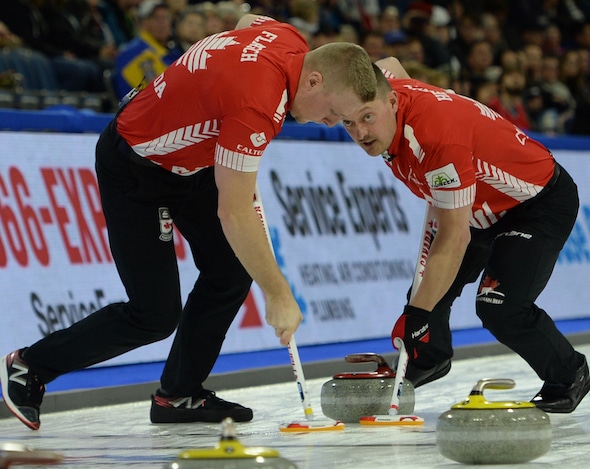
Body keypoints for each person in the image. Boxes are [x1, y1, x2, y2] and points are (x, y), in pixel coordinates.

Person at [0, 14, 377, 430]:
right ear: (314, 81)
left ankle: (179, 393)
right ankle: (29, 366)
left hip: (190, 163)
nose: (329, 124)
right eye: (334, 114)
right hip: (137, 167)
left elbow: (247, 18)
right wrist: (280, 295)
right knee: (154, 315)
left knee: (232, 269)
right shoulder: (257, 104)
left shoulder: (286, 37)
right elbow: (234, 212)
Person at [340, 56, 590, 413]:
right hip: (479, 208)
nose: (361, 133)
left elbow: (453, 236)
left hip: (535, 204)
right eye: (348, 122)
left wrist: (417, 315)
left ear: (392, 102)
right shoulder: (385, 88)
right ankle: (430, 357)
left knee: (499, 307)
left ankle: (569, 374)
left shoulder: (438, 142)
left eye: (367, 118)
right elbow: (387, 61)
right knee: (427, 288)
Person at [112, 1, 183, 100]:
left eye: (166, 17)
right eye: (156, 18)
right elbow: (156, 97)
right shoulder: (134, 53)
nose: (162, 23)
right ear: (143, 23)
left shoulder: (168, 50)